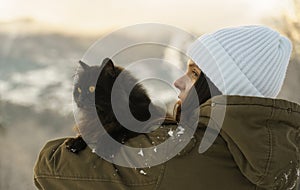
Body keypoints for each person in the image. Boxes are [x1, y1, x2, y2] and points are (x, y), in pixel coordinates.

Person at [34, 25, 300, 190]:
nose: (178, 81)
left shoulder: (173, 153)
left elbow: (51, 168)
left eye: (194, 74)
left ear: (219, 85)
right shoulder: (288, 159)